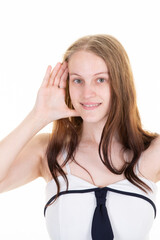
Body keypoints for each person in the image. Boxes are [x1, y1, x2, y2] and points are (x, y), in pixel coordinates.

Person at [0, 34, 159, 240]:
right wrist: (38, 116)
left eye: (100, 79)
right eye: (77, 80)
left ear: (120, 84)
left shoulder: (152, 151)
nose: (87, 93)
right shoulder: (49, 151)